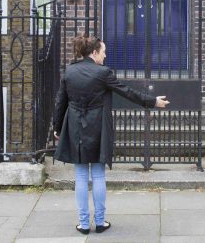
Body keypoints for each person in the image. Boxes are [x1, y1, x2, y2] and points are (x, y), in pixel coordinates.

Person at [52, 35, 170, 235]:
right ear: (94, 52)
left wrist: (57, 126)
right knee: (98, 175)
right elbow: (128, 92)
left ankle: (83, 224)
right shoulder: (103, 73)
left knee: (81, 176)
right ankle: (99, 222)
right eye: (104, 52)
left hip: (75, 126)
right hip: (97, 126)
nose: (105, 56)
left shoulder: (69, 72)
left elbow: (60, 101)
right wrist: (153, 102)